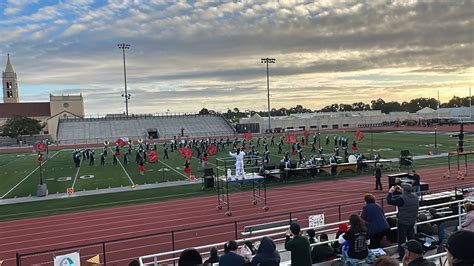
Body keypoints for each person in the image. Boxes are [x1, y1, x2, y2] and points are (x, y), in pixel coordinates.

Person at [387, 183, 419, 259]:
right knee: (411, 238)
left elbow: (389, 201)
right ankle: (414, 253)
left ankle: (402, 255)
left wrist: (390, 192)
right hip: (412, 221)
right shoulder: (415, 196)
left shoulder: (402, 198)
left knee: (401, 240)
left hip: (403, 221)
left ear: (403, 190)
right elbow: (407, 197)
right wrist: (402, 191)